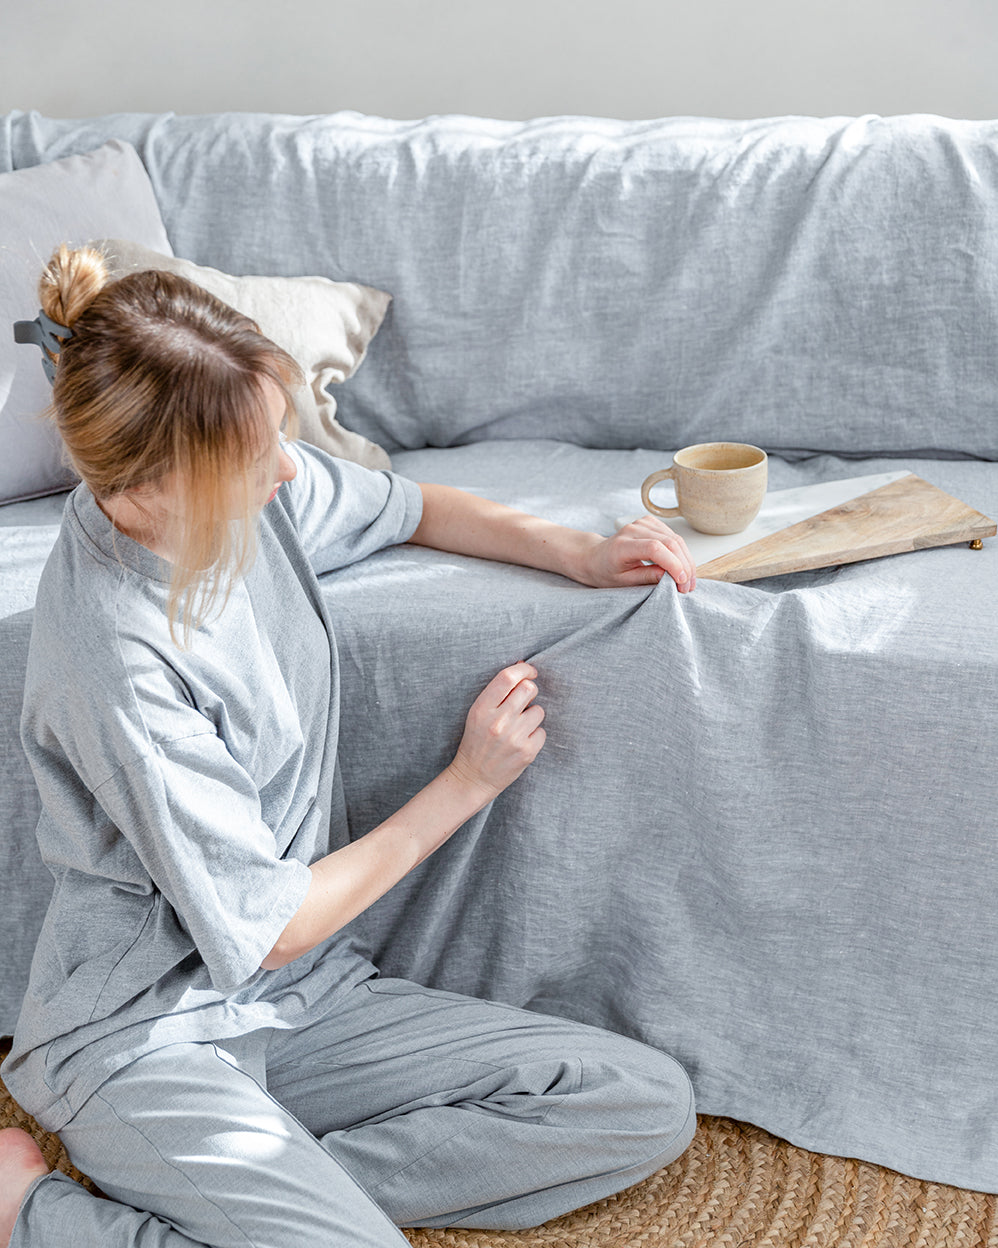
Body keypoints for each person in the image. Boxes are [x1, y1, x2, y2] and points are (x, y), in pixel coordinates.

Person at [0, 245, 697, 1248]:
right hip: (146, 1035)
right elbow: (274, 922)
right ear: (155, 489)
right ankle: (33, 1214)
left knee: (637, 1100)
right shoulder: (117, 664)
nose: (288, 469)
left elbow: (409, 503)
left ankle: (267, 1202)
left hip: (300, 999)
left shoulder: (244, 504)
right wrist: (466, 784)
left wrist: (577, 552)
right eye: (253, 455)